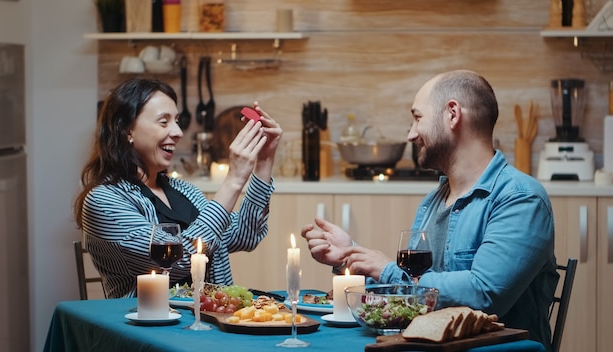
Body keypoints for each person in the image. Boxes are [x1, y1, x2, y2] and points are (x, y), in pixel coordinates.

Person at [301, 70, 558, 351]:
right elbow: (410, 296)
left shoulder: (520, 198)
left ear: (452, 114)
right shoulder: (433, 201)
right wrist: (349, 256)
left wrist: (386, 270)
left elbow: (485, 293)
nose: (411, 134)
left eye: (418, 118)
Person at [74, 78, 283, 298]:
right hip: (148, 326)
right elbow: (176, 261)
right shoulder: (104, 201)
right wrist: (233, 180)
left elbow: (245, 236)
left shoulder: (185, 191)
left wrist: (264, 161)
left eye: (176, 121)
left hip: (207, 320)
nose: (178, 132)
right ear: (127, 130)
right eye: (164, 122)